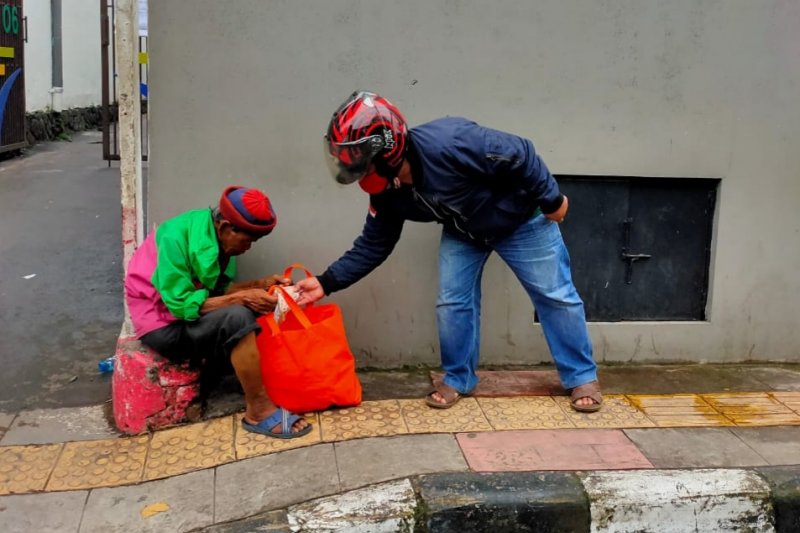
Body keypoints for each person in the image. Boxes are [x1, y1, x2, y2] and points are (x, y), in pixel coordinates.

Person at [296, 91, 602, 412]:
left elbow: (520, 153)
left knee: (555, 295)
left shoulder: (452, 142)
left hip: (521, 220)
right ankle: (458, 377)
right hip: (465, 229)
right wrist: (325, 282)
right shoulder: (388, 191)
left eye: (358, 158)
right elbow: (374, 244)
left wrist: (552, 201)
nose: (353, 167)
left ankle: (581, 376)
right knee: (453, 302)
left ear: (386, 152)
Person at [124, 185, 312, 437]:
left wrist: (262, 285)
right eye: (247, 241)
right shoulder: (174, 238)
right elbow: (181, 306)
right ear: (225, 227)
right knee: (238, 315)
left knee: (259, 303)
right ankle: (258, 411)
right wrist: (243, 298)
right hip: (163, 326)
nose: (249, 248)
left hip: (187, 316)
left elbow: (221, 289)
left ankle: (258, 383)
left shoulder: (218, 239)